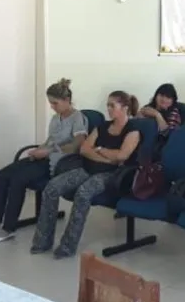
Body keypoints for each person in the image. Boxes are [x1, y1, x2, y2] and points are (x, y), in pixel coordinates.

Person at [0, 79, 88, 243]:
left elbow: (78, 144)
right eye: (50, 103)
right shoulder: (56, 118)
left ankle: (8, 228)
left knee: (19, 179)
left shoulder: (78, 118)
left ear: (67, 101)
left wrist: (48, 151)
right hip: (45, 156)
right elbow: (50, 140)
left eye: (55, 103)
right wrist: (39, 149)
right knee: (1, 175)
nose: (52, 107)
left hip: (59, 163)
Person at [31, 91, 141, 259]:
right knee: (51, 188)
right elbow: (84, 149)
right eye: (108, 105)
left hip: (111, 175)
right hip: (88, 168)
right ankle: (42, 242)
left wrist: (99, 150)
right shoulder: (102, 127)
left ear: (125, 108)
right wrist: (104, 155)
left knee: (83, 194)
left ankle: (67, 246)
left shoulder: (133, 130)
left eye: (113, 106)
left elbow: (122, 156)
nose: (109, 109)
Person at [139, 83, 182, 159]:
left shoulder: (174, 113)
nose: (164, 99)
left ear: (173, 101)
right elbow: (134, 125)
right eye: (161, 95)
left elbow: (169, 136)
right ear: (156, 96)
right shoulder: (148, 108)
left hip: (160, 147)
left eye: (168, 97)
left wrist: (157, 115)